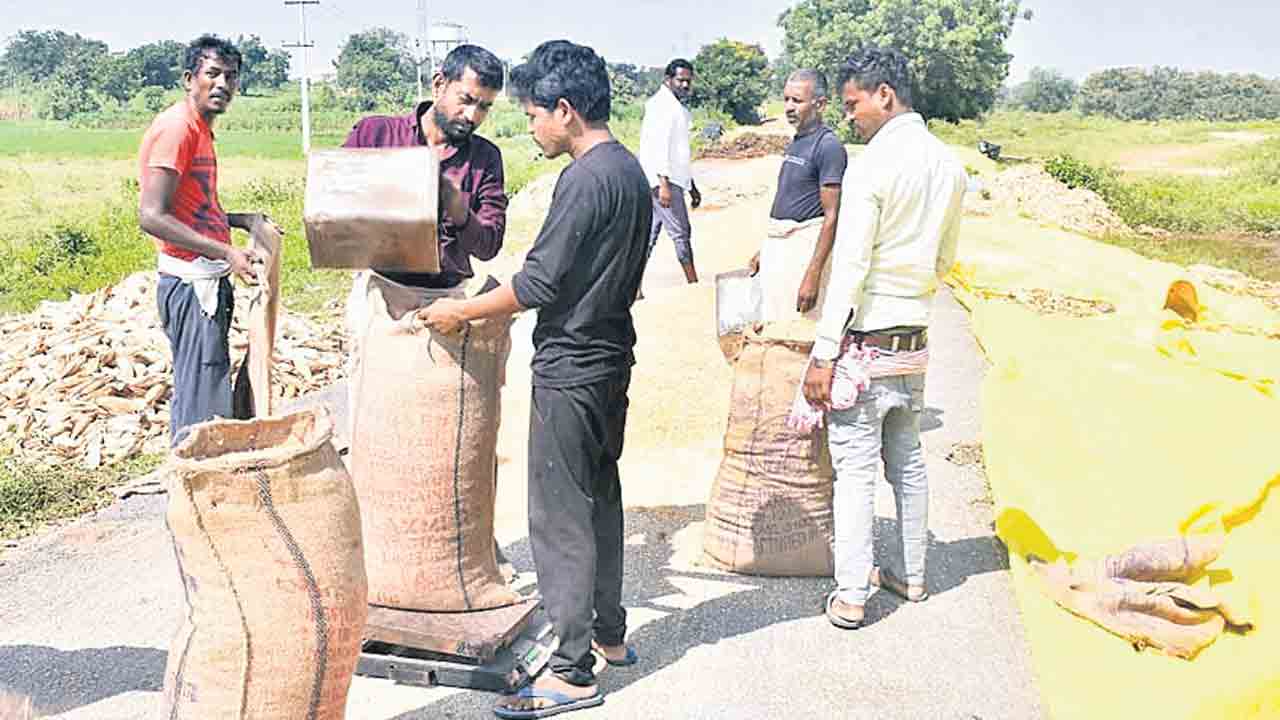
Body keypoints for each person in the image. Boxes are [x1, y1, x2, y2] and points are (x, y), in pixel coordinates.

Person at [420, 39, 651, 719]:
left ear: (565, 109)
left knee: (558, 518)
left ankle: (573, 669)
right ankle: (609, 634)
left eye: (531, 115)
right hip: (610, 355)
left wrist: (463, 310)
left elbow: (539, 282)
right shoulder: (629, 171)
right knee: (599, 497)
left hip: (572, 365)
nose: (528, 129)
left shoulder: (583, 178)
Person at [800, 48, 967, 630]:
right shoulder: (951, 166)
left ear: (885, 95)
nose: (850, 117)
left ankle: (851, 596)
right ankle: (912, 576)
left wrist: (823, 353)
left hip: (866, 345)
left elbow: (850, 267)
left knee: (856, 473)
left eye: (854, 104)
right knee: (909, 460)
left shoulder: (871, 166)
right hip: (914, 341)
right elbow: (945, 259)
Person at [340, 42, 509, 428]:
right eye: (466, 100)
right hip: (379, 293)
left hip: (444, 302)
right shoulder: (376, 133)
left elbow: (489, 244)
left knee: (434, 422)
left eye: (484, 106)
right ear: (438, 84)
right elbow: (337, 199)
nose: (472, 115)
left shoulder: (485, 159)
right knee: (372, 412)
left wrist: (455, 205)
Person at [138, 35, 279, 447]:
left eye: (231, 77)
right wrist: (226, 252)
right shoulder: (178, 129)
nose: (223, 84)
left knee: (204, 389)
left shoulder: (200, 130)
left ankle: (196, 490)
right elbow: (152, 217)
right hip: (190, 284)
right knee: (203, 407)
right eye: (213, 74)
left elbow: (190, 207)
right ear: (189, 79)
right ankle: (196, 494)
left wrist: (237, 220)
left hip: (205, 279)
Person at [749, 69, 847, 323]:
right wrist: (766, 250)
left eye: (798, 101)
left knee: (800, 330)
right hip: (780, 245)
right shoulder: (798, 141)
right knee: (775, 323)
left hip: (803, 250)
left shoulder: (828, 146)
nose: (790, 107)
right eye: (787, 99)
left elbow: (832, 216)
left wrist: (813, 275)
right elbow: (789, 197)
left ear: (820, 104)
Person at [638, 58, 701, 286]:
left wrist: (691, 186)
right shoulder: (661, 106)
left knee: (649, 237)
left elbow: (679, 152)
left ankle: (633, 287)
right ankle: (693, 284)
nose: (685, 85)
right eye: (680, 80)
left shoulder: (675, 107)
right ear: (668, 80)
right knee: (681, 233)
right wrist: (663, 184)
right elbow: (659, 147)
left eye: (688, 81)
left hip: (671, 179)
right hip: (662, 181)